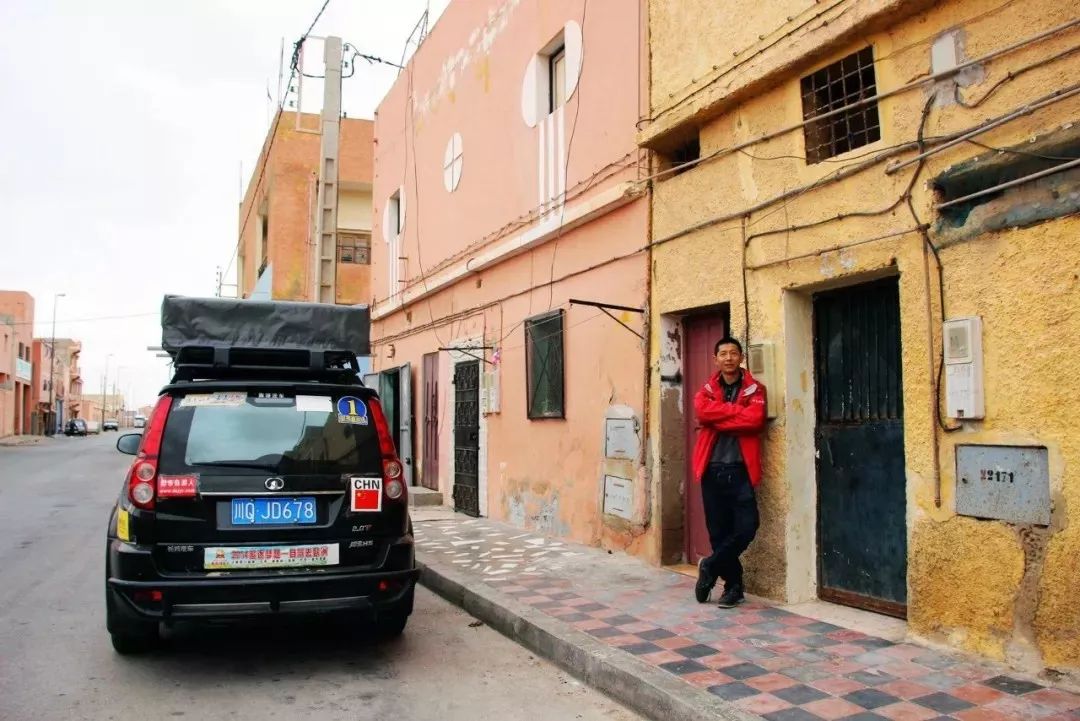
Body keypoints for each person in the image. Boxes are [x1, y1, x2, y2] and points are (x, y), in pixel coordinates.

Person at [692, 336, 767, 607]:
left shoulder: (756, 389)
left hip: (740, 470)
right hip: (712, 469)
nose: (728, 358)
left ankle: (710, 565)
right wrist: (736, 415)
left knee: (748, 527)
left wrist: (719, 419)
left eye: (733, 353)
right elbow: (703, 414)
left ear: (741, 357)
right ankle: (733, 587)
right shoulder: (706, 389)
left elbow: (755, 420)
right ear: (716, 359)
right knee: (718, 533)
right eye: (723, 353)